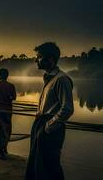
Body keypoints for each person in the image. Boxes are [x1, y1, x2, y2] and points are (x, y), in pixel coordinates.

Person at [25, 42, 74, 180]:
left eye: (39, 57)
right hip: (42, 124)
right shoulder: (49, 78)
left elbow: (67, 109)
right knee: (38, 164)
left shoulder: (61, 79)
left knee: (51, 166)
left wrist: (47, 127)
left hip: (51, 128)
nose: (36, 60)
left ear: (50, 59)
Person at [0, 68, 16, 159]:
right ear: (7, 76)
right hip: (8, 111)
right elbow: (14, 97)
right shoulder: (11, 86)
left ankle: (1, 151)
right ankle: (5, 147)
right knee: (7, 129)